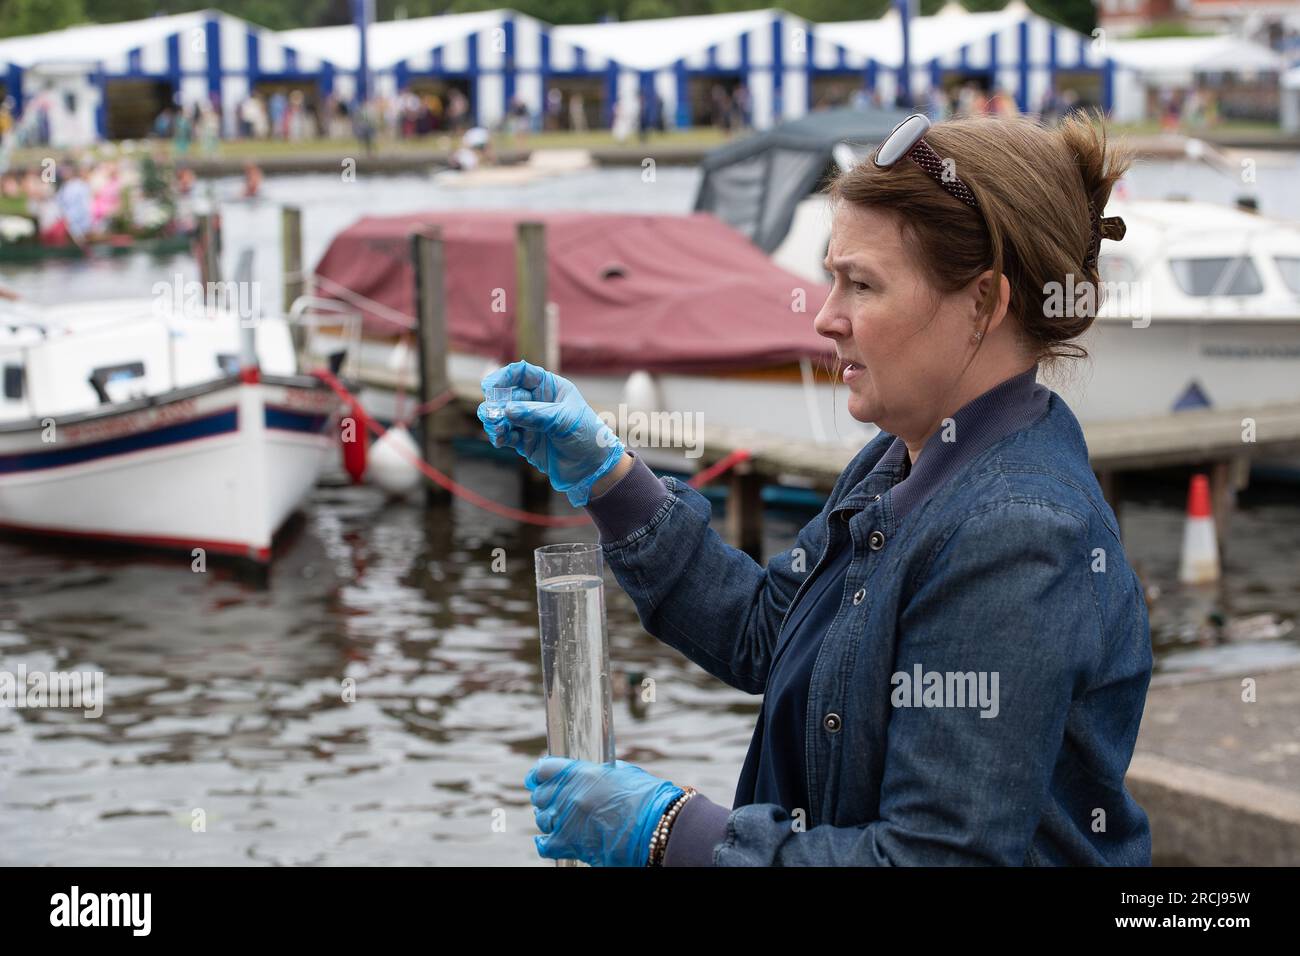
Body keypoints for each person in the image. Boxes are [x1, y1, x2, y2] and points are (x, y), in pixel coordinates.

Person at [481, 110, 1151, 867]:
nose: (826, 318)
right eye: (830, 279)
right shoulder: (899, 459)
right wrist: (610, 478)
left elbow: (936, 858)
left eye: (860, 284)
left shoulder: (1017, 533)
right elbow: (773, 634)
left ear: (983, 304)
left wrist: (675, 833)